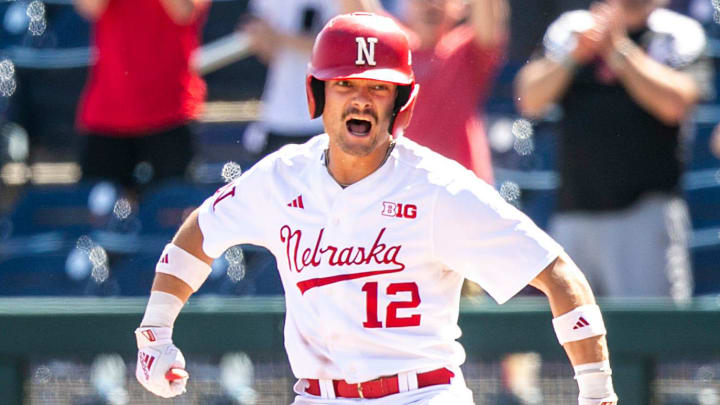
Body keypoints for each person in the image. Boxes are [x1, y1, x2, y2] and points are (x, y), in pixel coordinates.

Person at [134, 13, 618, 405]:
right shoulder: (281, 177)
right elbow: (200, 233)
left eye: (378, 87)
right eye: (345, 84)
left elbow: (557, 272)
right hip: (317, 397)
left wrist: (596, 390)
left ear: (401, 104)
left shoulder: (437, 187)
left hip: (422, 393)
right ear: (318, 94)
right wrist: (155, 330)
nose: (361, 99)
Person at [515, 0, 706, 300]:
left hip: (644, 212)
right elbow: (530, 99)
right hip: (574, 212)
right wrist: (574, 55)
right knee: (570, 333)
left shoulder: (677, 33)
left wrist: (618, 50)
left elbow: (676, 104)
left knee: (646, 336)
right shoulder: (571, 29)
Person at [348, 0, 508, 184]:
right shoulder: (391, 47)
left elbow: (490, 24)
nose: (431, 5)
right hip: (403, 188)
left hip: (463, 188)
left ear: (460, 6)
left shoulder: (468, 51)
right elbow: (359, 16)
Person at [73, 0, 209, 194]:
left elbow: (184, 11)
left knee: (171, 214)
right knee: (98, 214)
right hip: (108, 115)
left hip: (170, 114)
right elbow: (89, 7)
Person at [240, 0, 339, 157]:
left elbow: (339, 45)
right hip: (276, 118)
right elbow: (268, 54)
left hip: (321, 120)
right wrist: (259, 38)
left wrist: (278, 37)